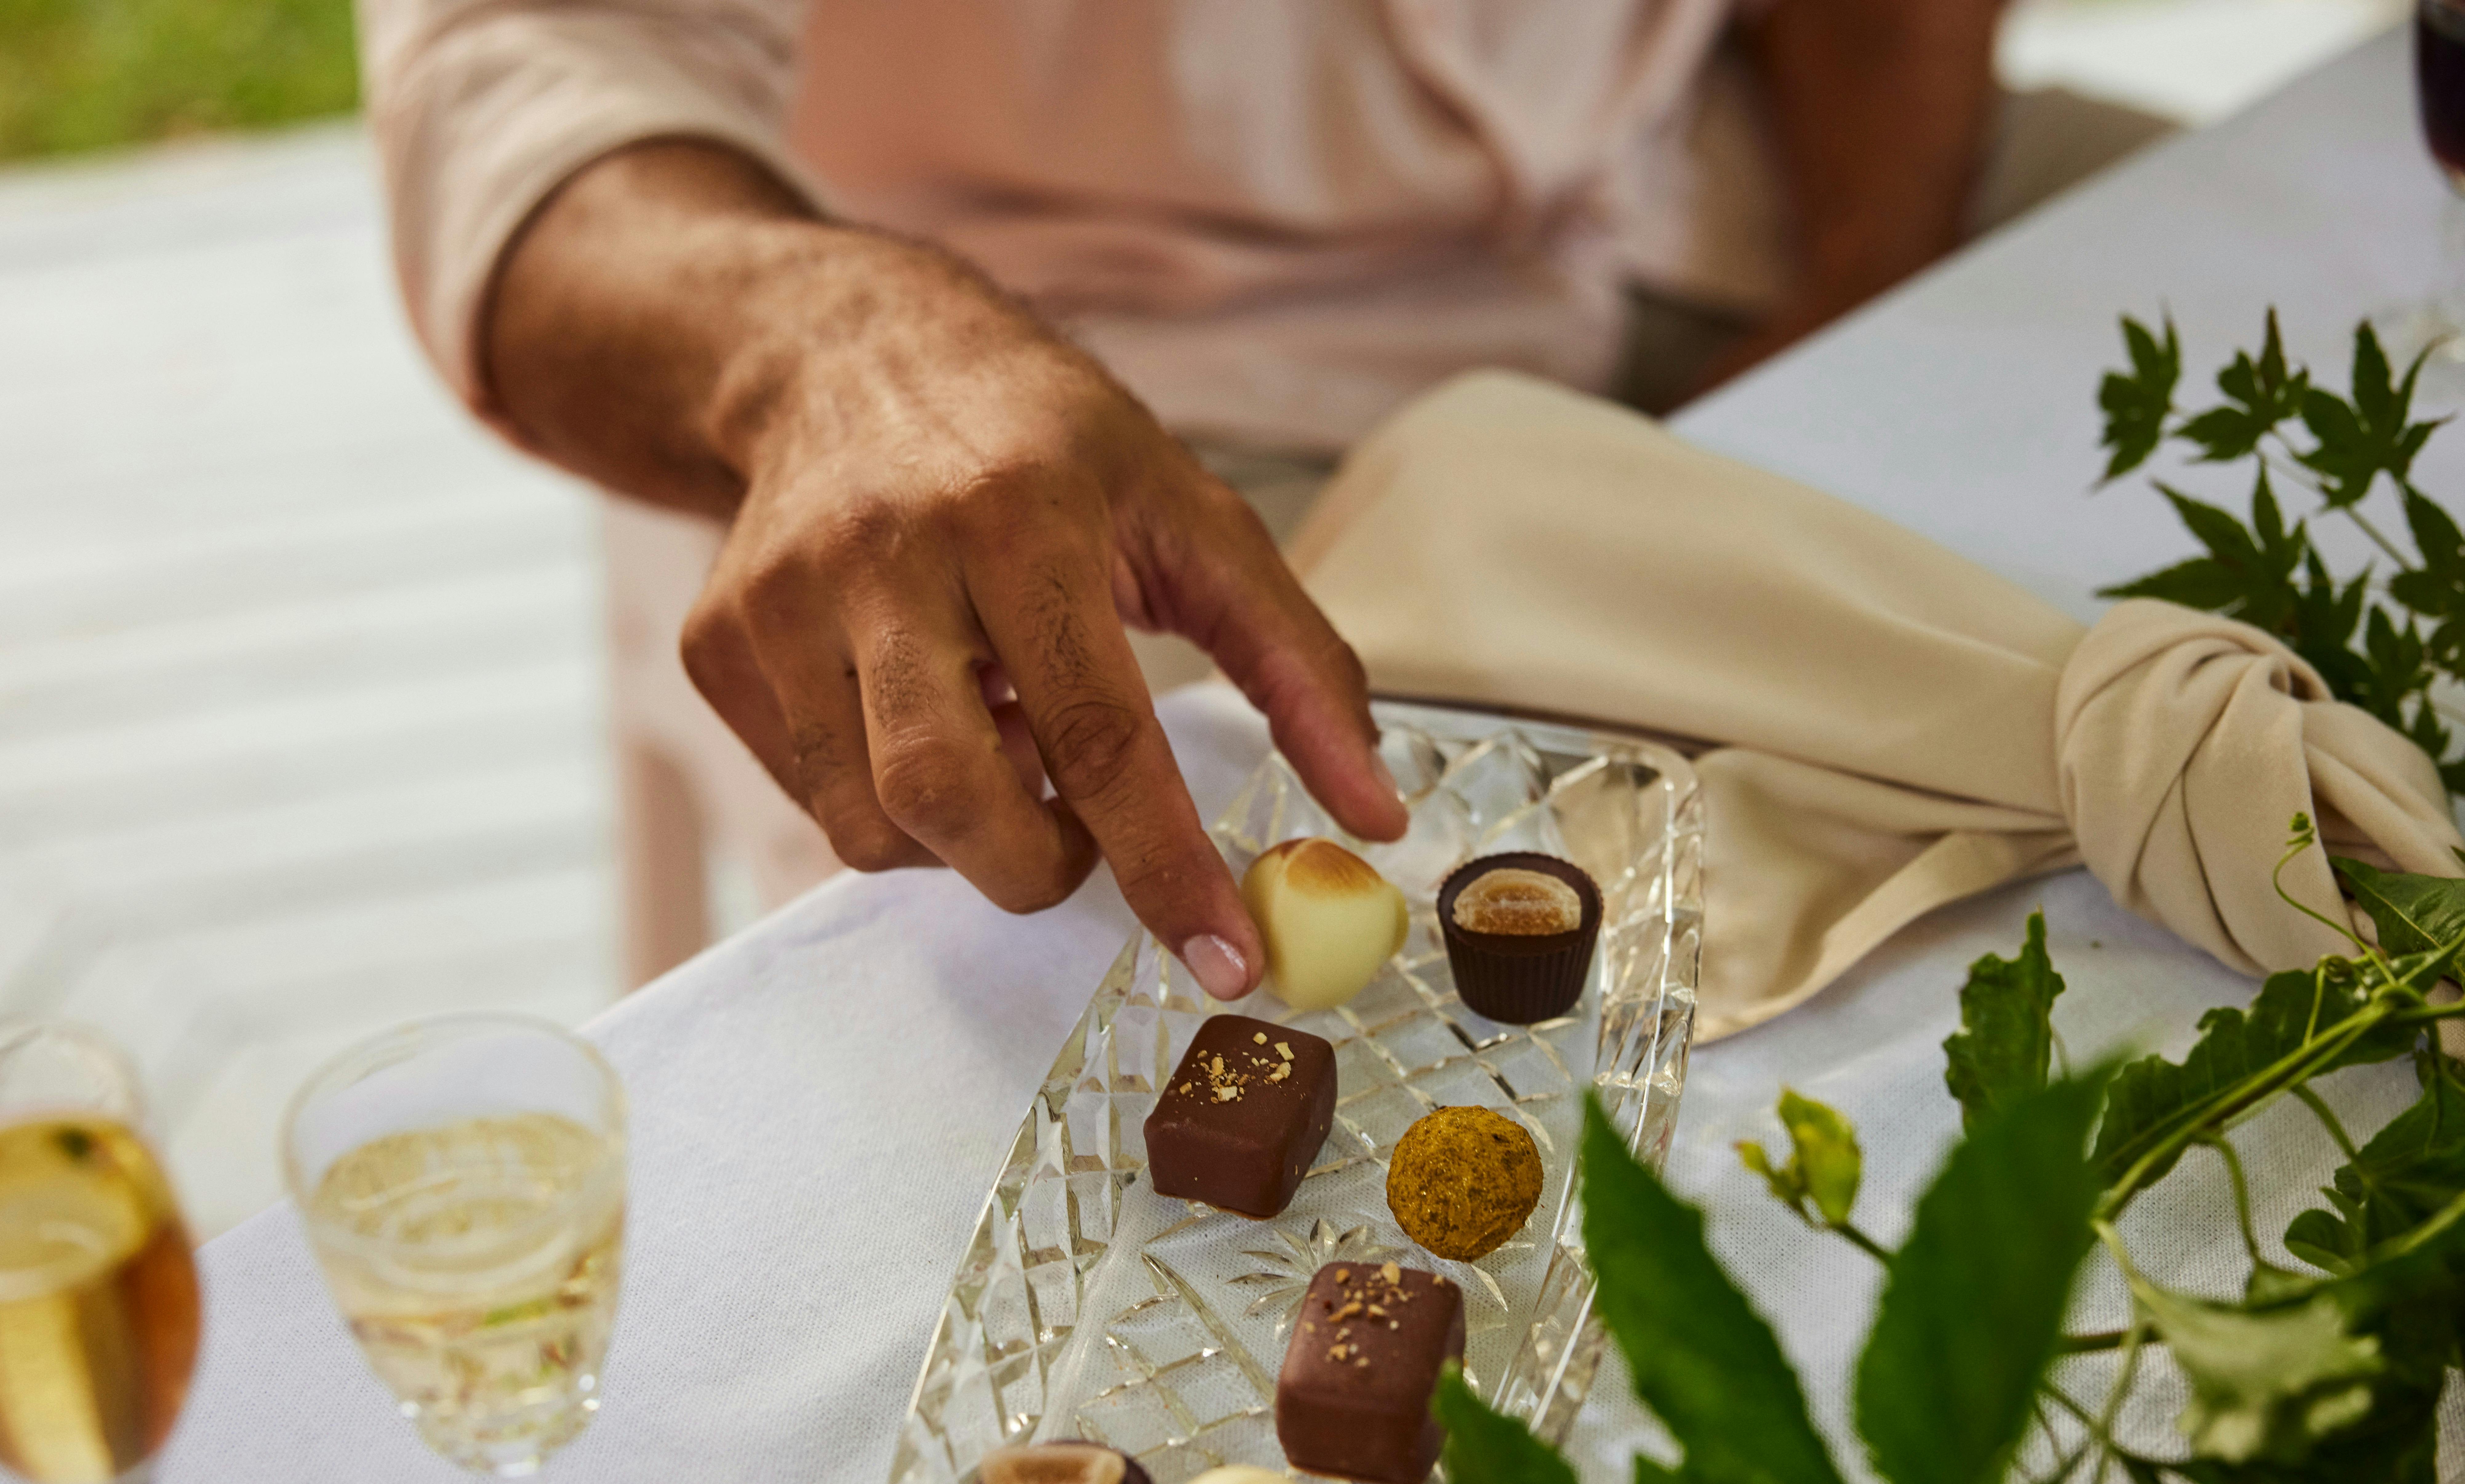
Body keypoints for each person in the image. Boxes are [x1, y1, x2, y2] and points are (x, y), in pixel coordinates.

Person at [361, 1, 2159, 991]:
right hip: (1105, 387)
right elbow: (525, 75)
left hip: (1720, 184)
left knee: (2273, 422)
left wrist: (1853, 304)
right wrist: (827, 350)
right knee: (1283, 1006)